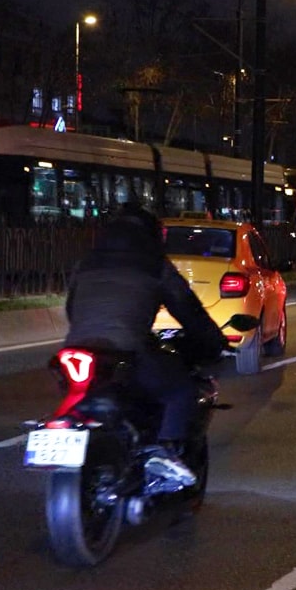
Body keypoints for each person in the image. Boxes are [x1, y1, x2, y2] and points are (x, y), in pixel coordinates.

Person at [64, 203, 228, 490]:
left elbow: (71, 309)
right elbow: (189, 311)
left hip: (75, 353)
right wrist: (213, 342)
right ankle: (164, 453)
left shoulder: (87, 262)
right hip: (127, 353)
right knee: (180, 390)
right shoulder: (153, 264)